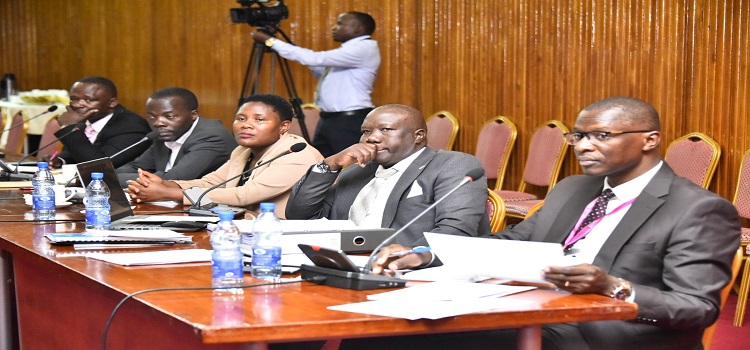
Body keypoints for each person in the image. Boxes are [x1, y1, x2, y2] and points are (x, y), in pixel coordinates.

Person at [366, 97, 741, 350]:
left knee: (423, 337)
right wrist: (425, 256)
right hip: (535, 306)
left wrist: (613, 286)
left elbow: (696, 307)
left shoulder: (697, 209)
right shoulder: (574, 188)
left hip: (604, 332)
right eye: (578, 136)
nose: (583, 146)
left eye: (602, 136)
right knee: (390, 325)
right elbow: (516, 240)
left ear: (649, 140)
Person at [285, 104, 490, 247]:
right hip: (344, 264)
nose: (372, 138)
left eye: (386, 129)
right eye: (366, 131)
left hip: (412, 269)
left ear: (418, 136)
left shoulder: (451, 165)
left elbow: (455, 232)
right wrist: (329, 165)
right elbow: (300, 216)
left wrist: (408, 255)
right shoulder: (357, 171)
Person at [127, 94, 323, 219]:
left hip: (279, 234)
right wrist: (165, 184)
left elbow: (244, 195)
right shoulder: (243, 151)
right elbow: (211, 182)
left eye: (259, 120)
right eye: (241, 118)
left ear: (284, 126)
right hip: (238, 224)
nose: (246, 125)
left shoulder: (298, 153)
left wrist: (168, 194)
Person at [251, 11, 380, 157]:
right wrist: (299, 55)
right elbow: (320, 70)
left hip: (347, 121)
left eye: (340, 24)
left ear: (358, 28)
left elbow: (315, 59)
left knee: (349, 167)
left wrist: (271, 41)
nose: (334, 28)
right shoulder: (349, 51)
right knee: (321, 164)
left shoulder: (363, 48)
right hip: (329, 119)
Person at [116, 87, 237, 187]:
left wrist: (110, 178)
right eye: (152, 117)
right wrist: (107, 176)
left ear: (193, 115)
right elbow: (136, 167)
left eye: (169, 116)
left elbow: (172, 180)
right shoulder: (166, 133)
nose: (158, 123)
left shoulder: (212, 137)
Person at [45, 76, 151, 168]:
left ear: (112, 103)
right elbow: (76, 153)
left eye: (88, 100)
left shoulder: (131, 127)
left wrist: (69, 126)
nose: (77, 105)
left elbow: (100, 165)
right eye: (74, 99)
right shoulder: (89, 118)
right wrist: (60, 161)